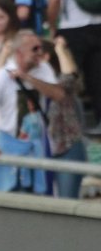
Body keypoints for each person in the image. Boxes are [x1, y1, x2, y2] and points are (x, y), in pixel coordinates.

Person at [0, 30, 64, 194]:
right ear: (19, 52)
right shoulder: (1, 77)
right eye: (35, 49)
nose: (40, 52)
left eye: (40, 47)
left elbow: (58, 95)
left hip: (38, 148)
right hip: (9, 149)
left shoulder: (43, 68)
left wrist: (27, 78)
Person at [46, 0, 101, 134]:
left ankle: (68, 127)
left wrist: (51, 24)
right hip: (98, 23)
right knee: (97, 77)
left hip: (73, 27)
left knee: (67, 77)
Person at [43, 37, 88, 198]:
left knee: (66, 201)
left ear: (46, 56)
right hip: (42, 149)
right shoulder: (28, 80)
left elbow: (70, 78)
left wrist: (60, 50)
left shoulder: (59, 82)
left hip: (67, 148)